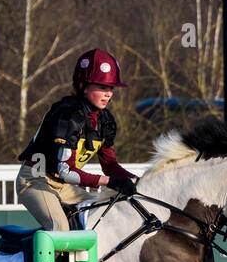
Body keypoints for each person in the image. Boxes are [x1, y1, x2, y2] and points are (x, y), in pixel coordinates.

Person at [17, 48, 139, 231]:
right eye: (102, 87)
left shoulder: (105, 120)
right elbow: (66, 171)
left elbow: (110, 166)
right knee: (59, 228)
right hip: (36, 180)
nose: (109, 94)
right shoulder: (68, 114)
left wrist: (138, 180)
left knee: (100, 219)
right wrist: (110, 181)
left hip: (64, 187)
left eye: (111, 88)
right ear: (83, 86)